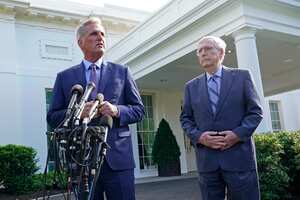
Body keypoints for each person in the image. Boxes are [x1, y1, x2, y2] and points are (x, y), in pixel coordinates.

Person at [47, 17, 145, 200]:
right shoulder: (64, 77)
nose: (100, 38)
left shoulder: (122, 72)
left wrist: (116, 110)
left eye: (103, 34)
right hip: (81, 161)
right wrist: (76, 112)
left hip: (117, 159)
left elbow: (139, 110)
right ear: (80, 42)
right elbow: (52, 117)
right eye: (94, 34)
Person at [180, 36, 263, 200]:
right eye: (199, 51)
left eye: (208, 48)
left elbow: (255, 112)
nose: (203, 53)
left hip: (238, 159)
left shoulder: (242, 77)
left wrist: (237, 135)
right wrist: (199, 137)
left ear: (221, 52)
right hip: (207, 163)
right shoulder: (191, 86)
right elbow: (186, 119)